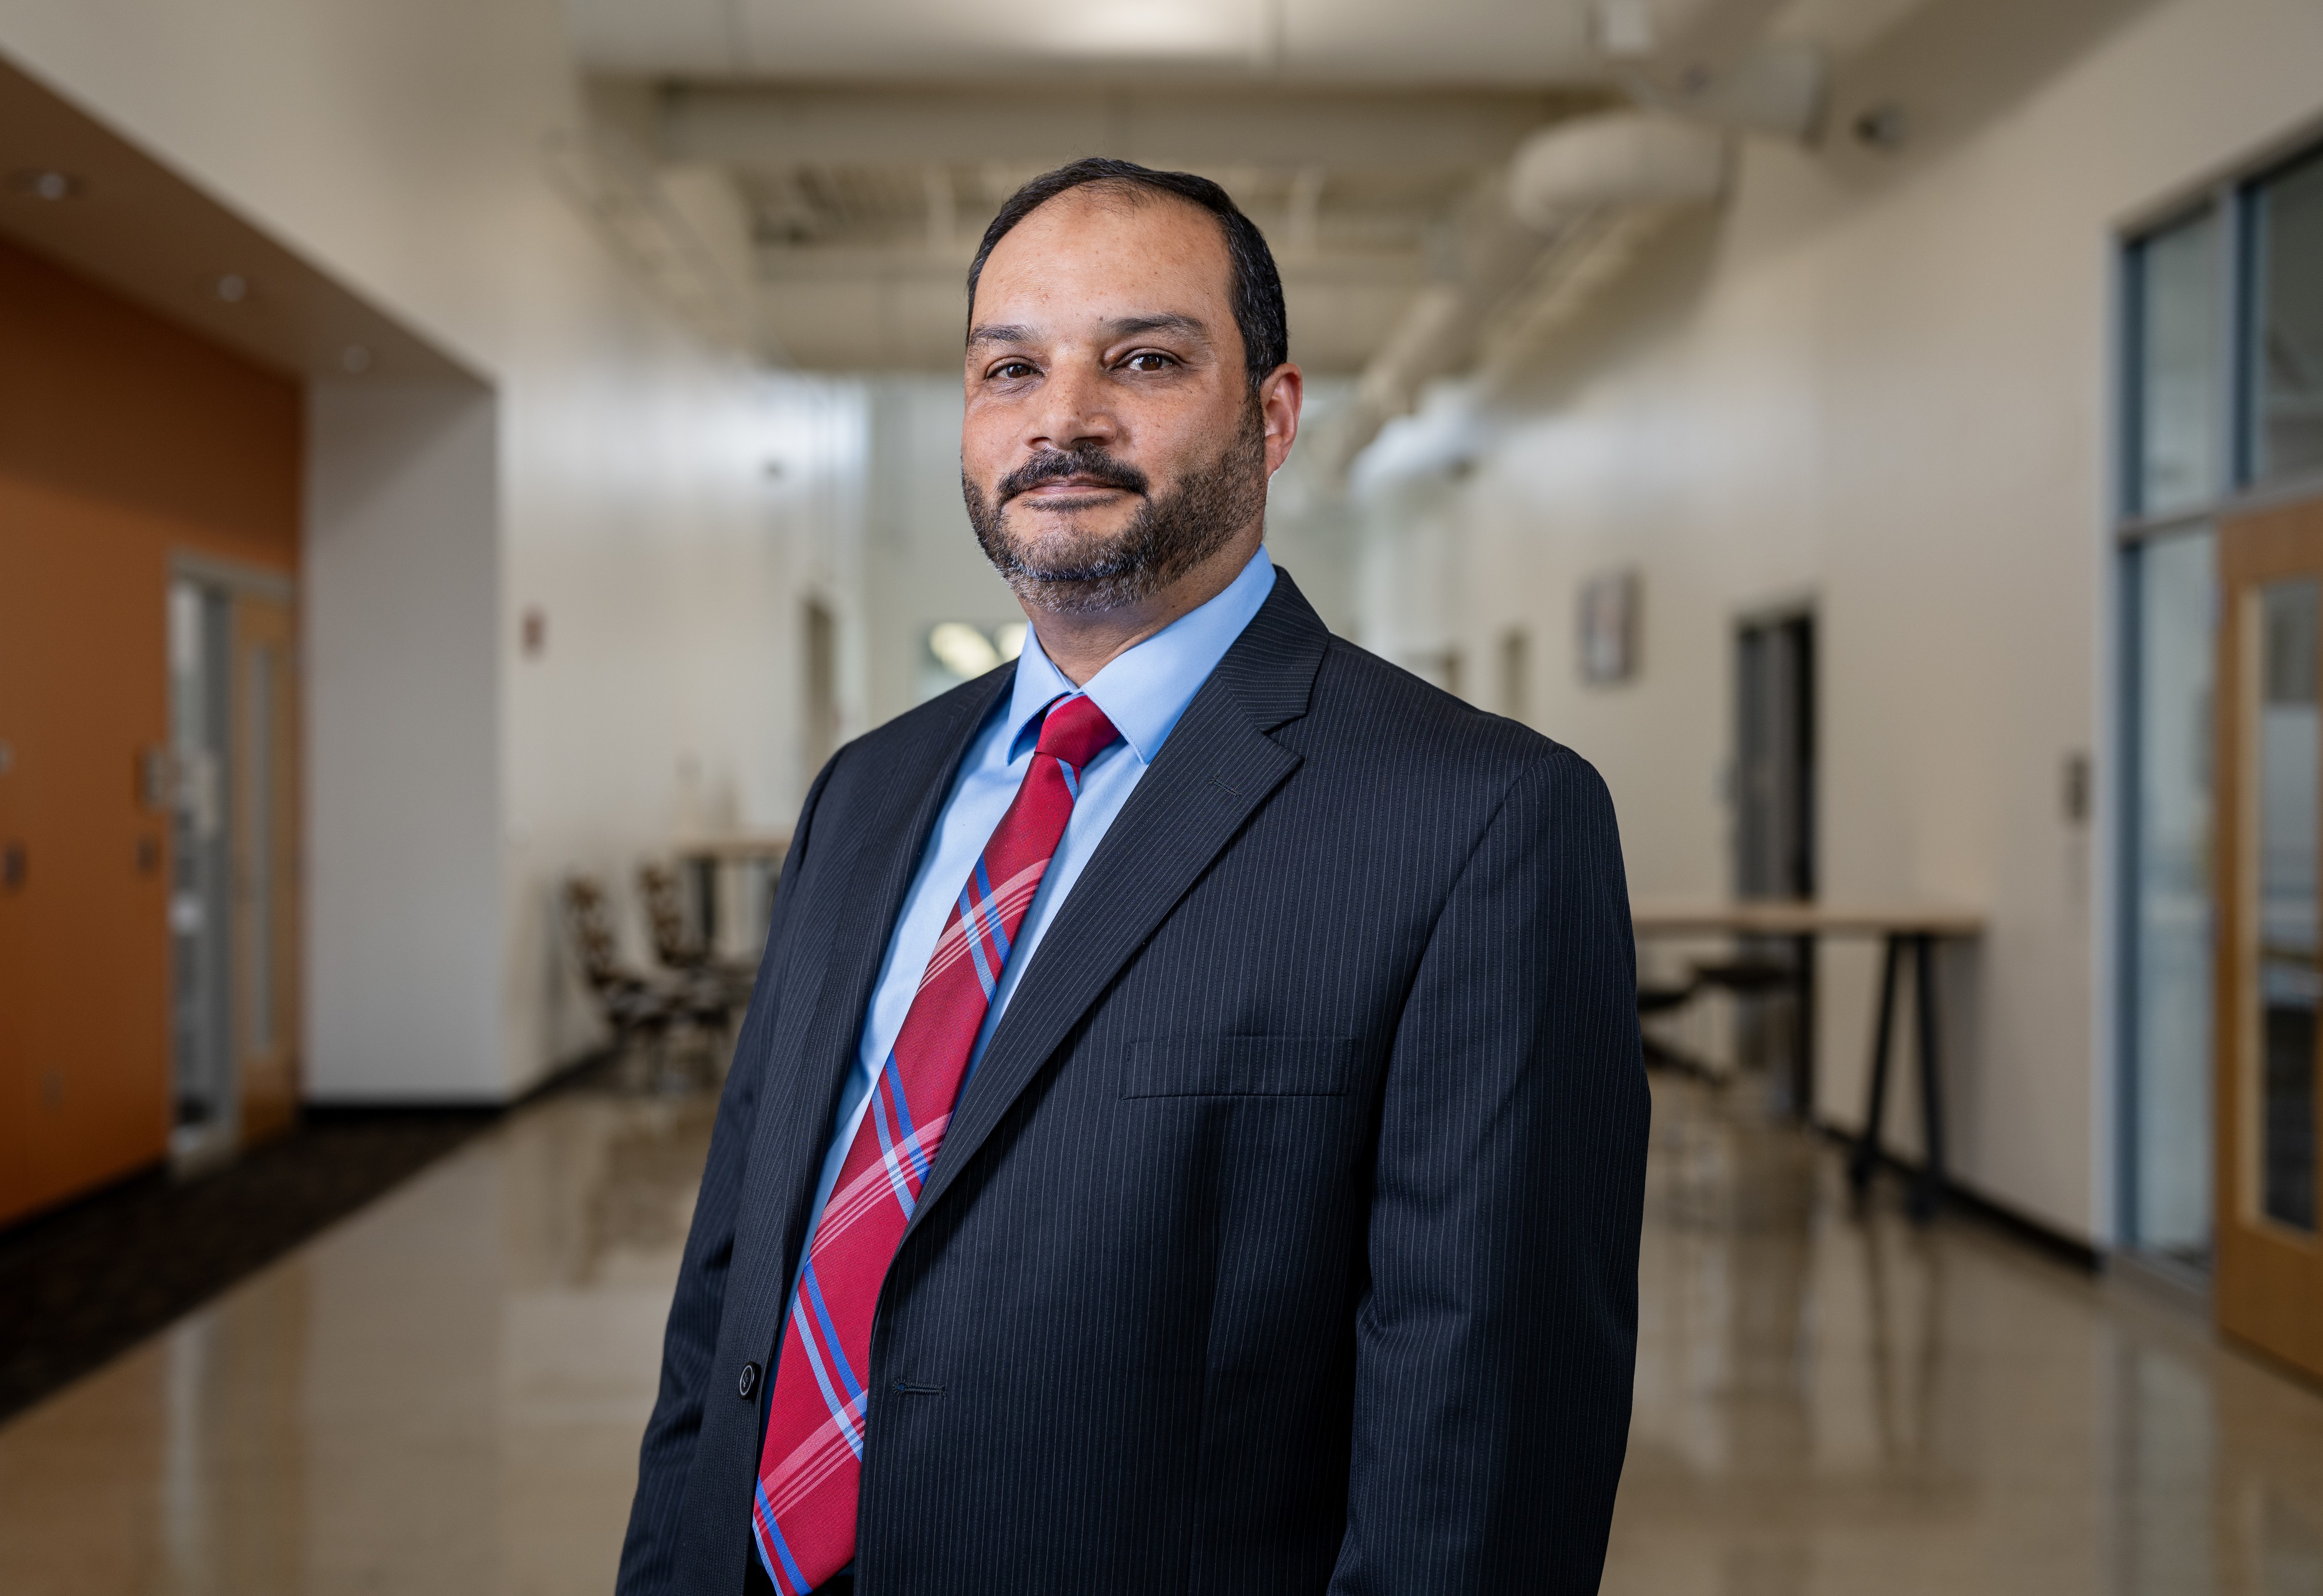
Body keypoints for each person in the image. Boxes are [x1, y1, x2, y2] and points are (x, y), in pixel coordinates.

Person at [617, 158, 1648, 1596]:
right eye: (1009, 368)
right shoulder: (867, 790)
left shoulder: (1480, 821)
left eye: (1147, 358)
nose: (1065, 418)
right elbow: (733, 1281)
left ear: (1273, 416)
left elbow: (1485, 1445)